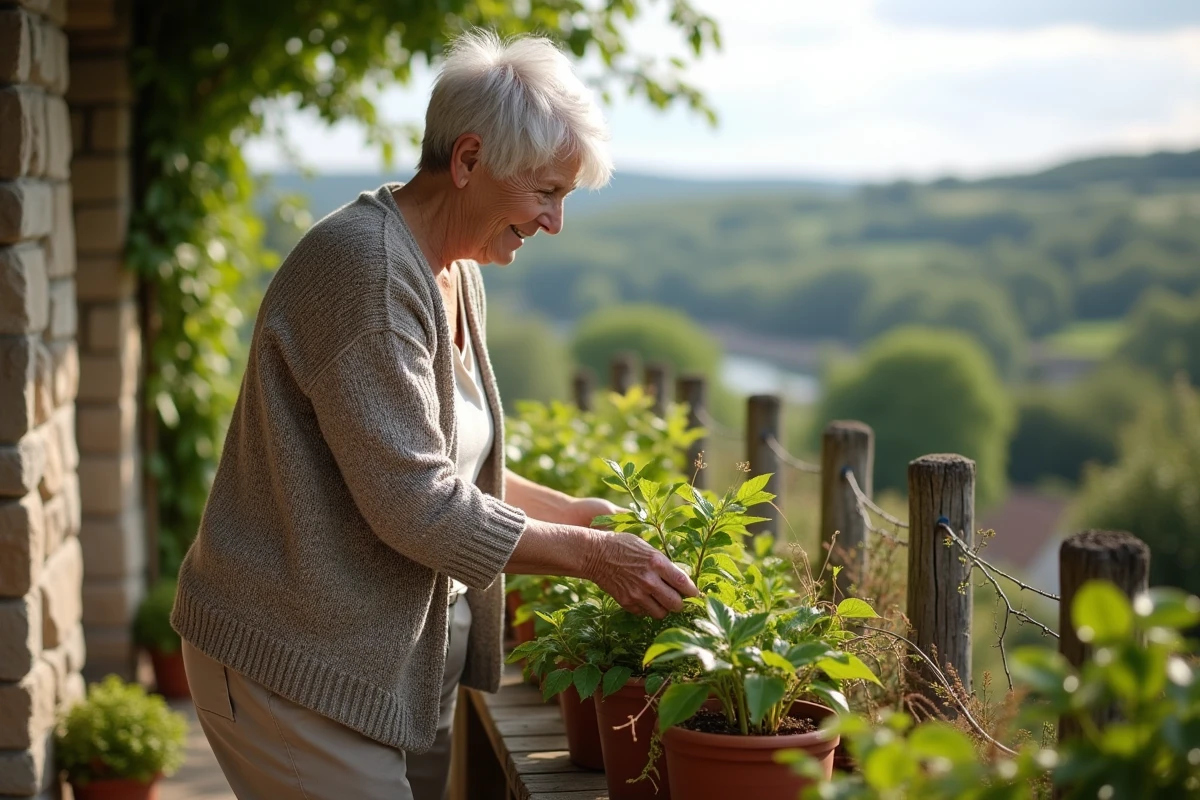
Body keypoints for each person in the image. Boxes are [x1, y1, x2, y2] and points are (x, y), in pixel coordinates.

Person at [171, 29, 698, 800]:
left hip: (377, 669)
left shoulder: (451, 268)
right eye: (546, 192)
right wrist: (593, 558)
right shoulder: (368, 273)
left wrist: (576, 517)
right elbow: (417, 506)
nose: (555, 222)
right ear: (469, 160)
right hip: (290, 661)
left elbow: (437, 465)